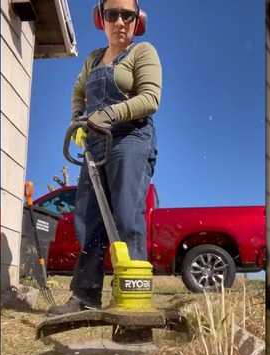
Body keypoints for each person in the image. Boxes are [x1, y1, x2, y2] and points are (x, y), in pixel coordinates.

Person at [48, 0, 161, 315]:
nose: (120, 22)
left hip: (131, 138)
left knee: (125, 215)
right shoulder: (93, 58)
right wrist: (78, 119)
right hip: (95, 144)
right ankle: (85, 296)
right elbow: (77, 90)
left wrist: (110, 113)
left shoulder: (143, 52)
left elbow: (150, 98)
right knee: (88, 219)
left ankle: (133, 303)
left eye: (128, 15)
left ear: (137, 20)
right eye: (113, 14)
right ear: (102, 18)